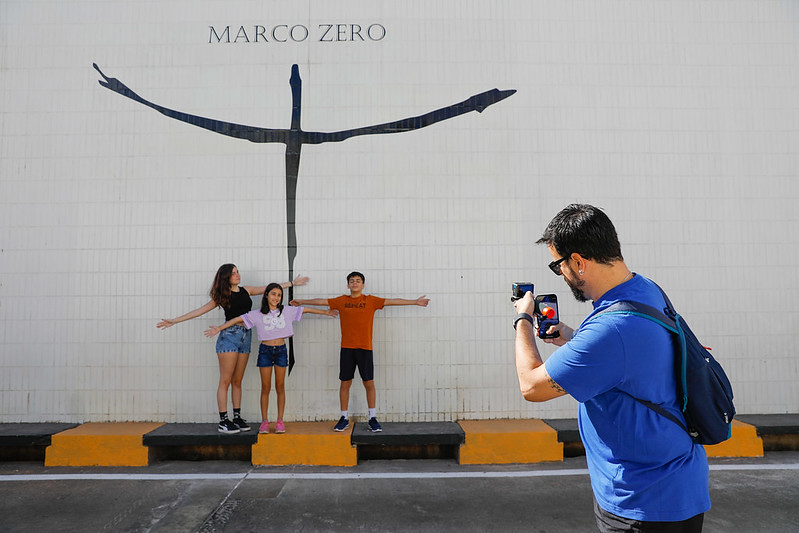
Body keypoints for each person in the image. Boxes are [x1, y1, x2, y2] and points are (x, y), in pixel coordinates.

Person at [513, 204, 710, 532]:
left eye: (558, 265)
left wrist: (522, 318)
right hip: (676, 486)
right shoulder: (645, 290)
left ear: (578, 262)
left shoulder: (610, 330)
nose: (562, 274)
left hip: (643, 503)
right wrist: (571, 337)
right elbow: (632, 355)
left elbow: (531, 386)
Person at [156, 264, 308, 434]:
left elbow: (269, 289)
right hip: (229, 336)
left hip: (246, 336)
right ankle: (223, 420)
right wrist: (174, 321)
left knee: (237, 380)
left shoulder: (246, 290)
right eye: (233, 273)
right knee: (225, 380)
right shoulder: (222, 296)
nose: (237, 275)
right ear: (226, 277)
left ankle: (237, 417)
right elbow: (199, 311)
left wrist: (292, 283)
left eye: (237, 272)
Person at [291, 271, 430, 432]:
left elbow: (393, 301)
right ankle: (344, 417)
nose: (355, 283)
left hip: (365, 349)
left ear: (363, 285)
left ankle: (372, 418)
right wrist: (301, 301)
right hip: (347, 349)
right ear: (348, 285)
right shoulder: (342, 300)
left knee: (369, 383)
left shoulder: (370, 300)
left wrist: (415, 302)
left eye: (358, 280)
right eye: (352, 281)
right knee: (345, 383)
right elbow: (321, 301)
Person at [204, 282, 337, 434]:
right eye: (273, 294)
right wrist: (219, 328)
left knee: (280, 386)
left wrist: (325, 312)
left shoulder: (286, 310)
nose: (276, 297)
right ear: (266, 295)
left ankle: (280, 421)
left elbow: (306, 310)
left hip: (281, 351)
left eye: (279, 295)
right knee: (265, 387)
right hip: (265, 352)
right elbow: (237, 319)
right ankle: (265, 421)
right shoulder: (257, 314)